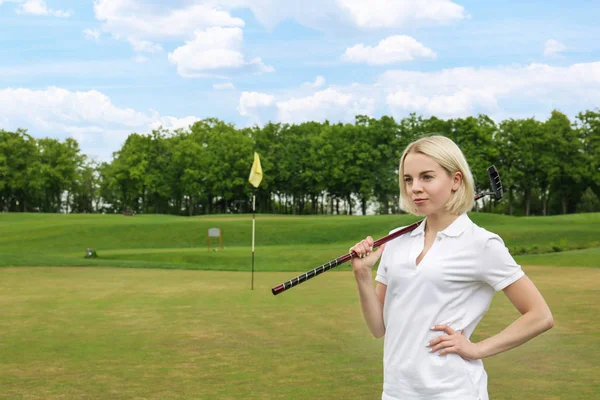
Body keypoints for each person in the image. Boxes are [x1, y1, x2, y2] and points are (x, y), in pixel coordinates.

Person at [350, 135, 554, 400]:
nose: (415, 188)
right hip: (396, 393)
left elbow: (540, 315)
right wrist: (362, 274)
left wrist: (477, 349)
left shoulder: (482, 244)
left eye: (427, 177)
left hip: (454, 391)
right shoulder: (396, 239)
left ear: (456, 180)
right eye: (408, 179)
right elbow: (379, 328)